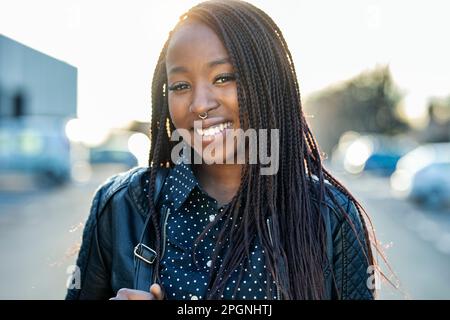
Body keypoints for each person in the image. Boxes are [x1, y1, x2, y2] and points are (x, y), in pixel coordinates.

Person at [66, 0, 378, 300]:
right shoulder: (120, 208)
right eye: (180, 85)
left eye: (224, 77)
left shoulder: (330, 217)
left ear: (269, 83)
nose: (200, 104)